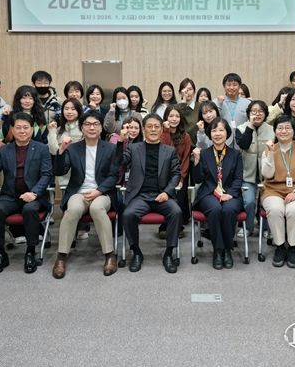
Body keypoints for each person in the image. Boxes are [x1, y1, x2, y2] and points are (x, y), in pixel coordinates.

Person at [52, 111, 119, 278]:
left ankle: (109, 255)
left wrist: (98, 191)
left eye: (95, 124)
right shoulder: (73, 148)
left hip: (102, 192)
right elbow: (60, 171)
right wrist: (61, 151)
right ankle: (61, 257)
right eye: (87, 124)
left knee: (97, 209)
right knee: (72, 210)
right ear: (82, 128)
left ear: (101, 127)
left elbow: (114, 176)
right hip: (79, 192)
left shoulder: (110, 148)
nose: (92, 127)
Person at [0, 112, 53, 275]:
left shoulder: (42, 148)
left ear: (32, 129)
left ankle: (30, 251)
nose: (22, 131)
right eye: (18, 128)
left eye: (26, 127)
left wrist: (34, 193)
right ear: (12, 129)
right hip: (10, 196)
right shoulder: (5, 150)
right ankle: (0, 254)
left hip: (34, 196)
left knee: (29, 209)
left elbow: (47, 175)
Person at [120, 114, 182, 274]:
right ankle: (136, 252)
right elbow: (119, 162)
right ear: (143, 129)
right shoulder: (133, 148)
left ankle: (169, 253)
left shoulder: (170, 151)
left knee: (176, 212)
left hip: (162, 195)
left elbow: (176, 174)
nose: (153, 130)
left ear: (161, 130)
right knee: (128, 214)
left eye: (156, 126)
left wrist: (167, 192)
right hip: (140, 196)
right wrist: (121, 141)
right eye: (149, 126)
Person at [261, 115, 295, 268]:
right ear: (275, 131)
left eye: (287, 128)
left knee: (294, 210)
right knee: (276, 209)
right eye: (280, 128)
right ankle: (279, 246)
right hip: (273, 190)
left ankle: (292, 247)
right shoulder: (269, 149)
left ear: (294, 130)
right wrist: (270, 154)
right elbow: (267, 175)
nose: (284, 131)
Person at [191, 117, 244, 269]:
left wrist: (230, 194)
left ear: (227, 133)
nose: (217, 134)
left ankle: (227, 250)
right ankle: (218, 250)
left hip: (230, 193)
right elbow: (197, 179)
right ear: (209, 134)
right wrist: (196, 161)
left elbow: (238, 178)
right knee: (214, 209)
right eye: (214, 130)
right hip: (209, 193)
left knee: (228, 209)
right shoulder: (204, 153)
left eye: (221, 130)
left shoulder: (235, 154)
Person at [235, 100, 274, 238]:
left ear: (265, 114)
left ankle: (266, 228)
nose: (257, 114)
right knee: (249, 201)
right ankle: (247, 227)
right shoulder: (240, 129)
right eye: (253, 111)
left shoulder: (272, 130)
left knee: (267, 202)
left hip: (267, 174)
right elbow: (244, 145)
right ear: (248, 114)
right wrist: (250, 126)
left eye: (260, 111)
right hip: (247, 174)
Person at [160, 105, 192, 235]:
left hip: (179, 174)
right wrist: (166, 131)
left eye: (177, 116)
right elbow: (165, 151)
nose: (174, 119)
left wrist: (181, 178)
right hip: (163, 173)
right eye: (171, 116)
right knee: (165, 200)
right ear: (166, 118)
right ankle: (164, 227)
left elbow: (186, 159)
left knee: (178, 200)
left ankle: (178, 228)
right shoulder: (161, 134)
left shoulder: (186, 136)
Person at [47, 98, 84, 187]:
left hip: (80, 175)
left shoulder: (84, 129)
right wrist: (52, 131)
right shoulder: (59, 130)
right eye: (66, 109)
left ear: (79, 111)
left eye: (73, 109)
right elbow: (53, 151)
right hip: (62, 177)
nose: (69, 112)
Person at [216, 72, 250, 149]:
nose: (231, 88)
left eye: (235, 85)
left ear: (239, 86)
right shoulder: (217, 102)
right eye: (228, 85)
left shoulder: (247, 103)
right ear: (224, 86)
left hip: (242, 141)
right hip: (223, 141)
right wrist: (219, 105)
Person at [177, 78, 200, 144]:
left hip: (197, 145)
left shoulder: (199, 107)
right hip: (180, 144)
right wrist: (183, 101)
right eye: (185, 89)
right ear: (180, 92)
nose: (187, 92)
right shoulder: (176, 108)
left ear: (194, 92)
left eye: (190, 89)